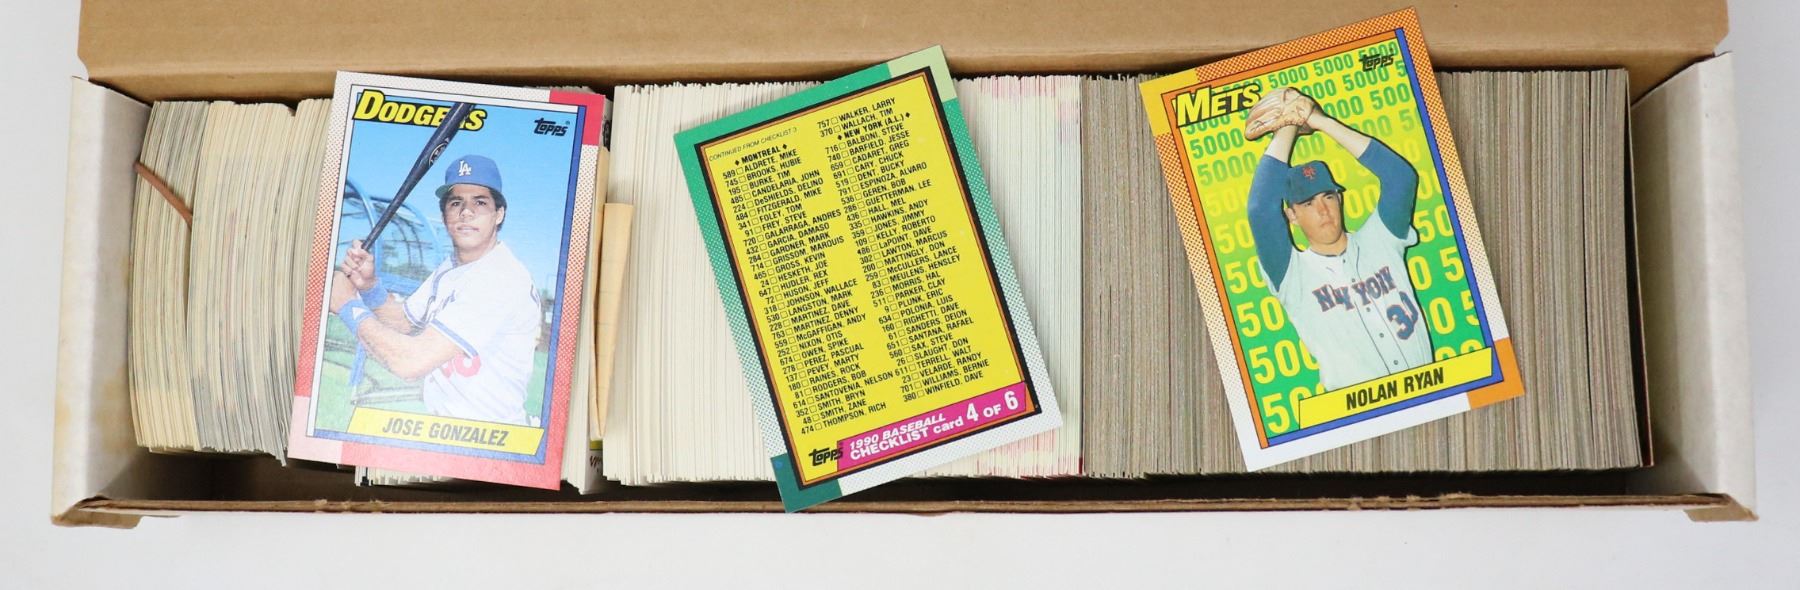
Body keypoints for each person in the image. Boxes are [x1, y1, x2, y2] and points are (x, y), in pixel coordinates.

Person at [330, 154, 541, 425]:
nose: (466, 212)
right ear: (444, 215)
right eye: (456, 203)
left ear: (499, 214)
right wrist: (369, 287)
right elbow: (405, 322)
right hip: (450, 428)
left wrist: (347, 305)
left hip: (490, 433)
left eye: (480, 202)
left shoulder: (500, 277)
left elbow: (411, 362)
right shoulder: (451, 267)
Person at [1244, 88, 1432, 391]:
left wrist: (1319, 120)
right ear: (1292, 215)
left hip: (1429, 391)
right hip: (1358, 411)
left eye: (1328, 197)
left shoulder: (1380, 239)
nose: (1323, 210)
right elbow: (1259, 210)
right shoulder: (1292, 274)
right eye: (1308, 203)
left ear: (1340, 199)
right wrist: (1288, 126)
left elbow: (1401, 178)